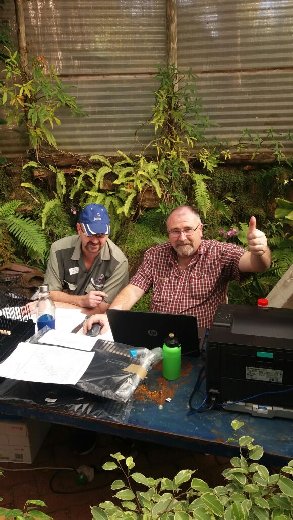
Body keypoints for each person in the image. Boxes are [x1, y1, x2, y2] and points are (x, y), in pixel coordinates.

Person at [84, 205, 271, 333]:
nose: (182, 237)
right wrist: (110, 316)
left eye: (188, 229)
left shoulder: (219, 253)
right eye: (175, 231)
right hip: (157, 336)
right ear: (168, 233)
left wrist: (260, 251)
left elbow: (257, 265)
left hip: (201, 340)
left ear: (201, 230)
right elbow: (133, 290)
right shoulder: (155, 255)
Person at [44, 203, 129, 313]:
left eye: (100, 235)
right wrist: (81, 301)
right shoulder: (58, 249)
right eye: (90, 234)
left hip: (96, 322)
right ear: (79, 228)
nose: (94, 241)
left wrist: (57, 304)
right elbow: (50, 293)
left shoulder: (119, 262)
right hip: (59, 316)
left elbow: (101, 309)